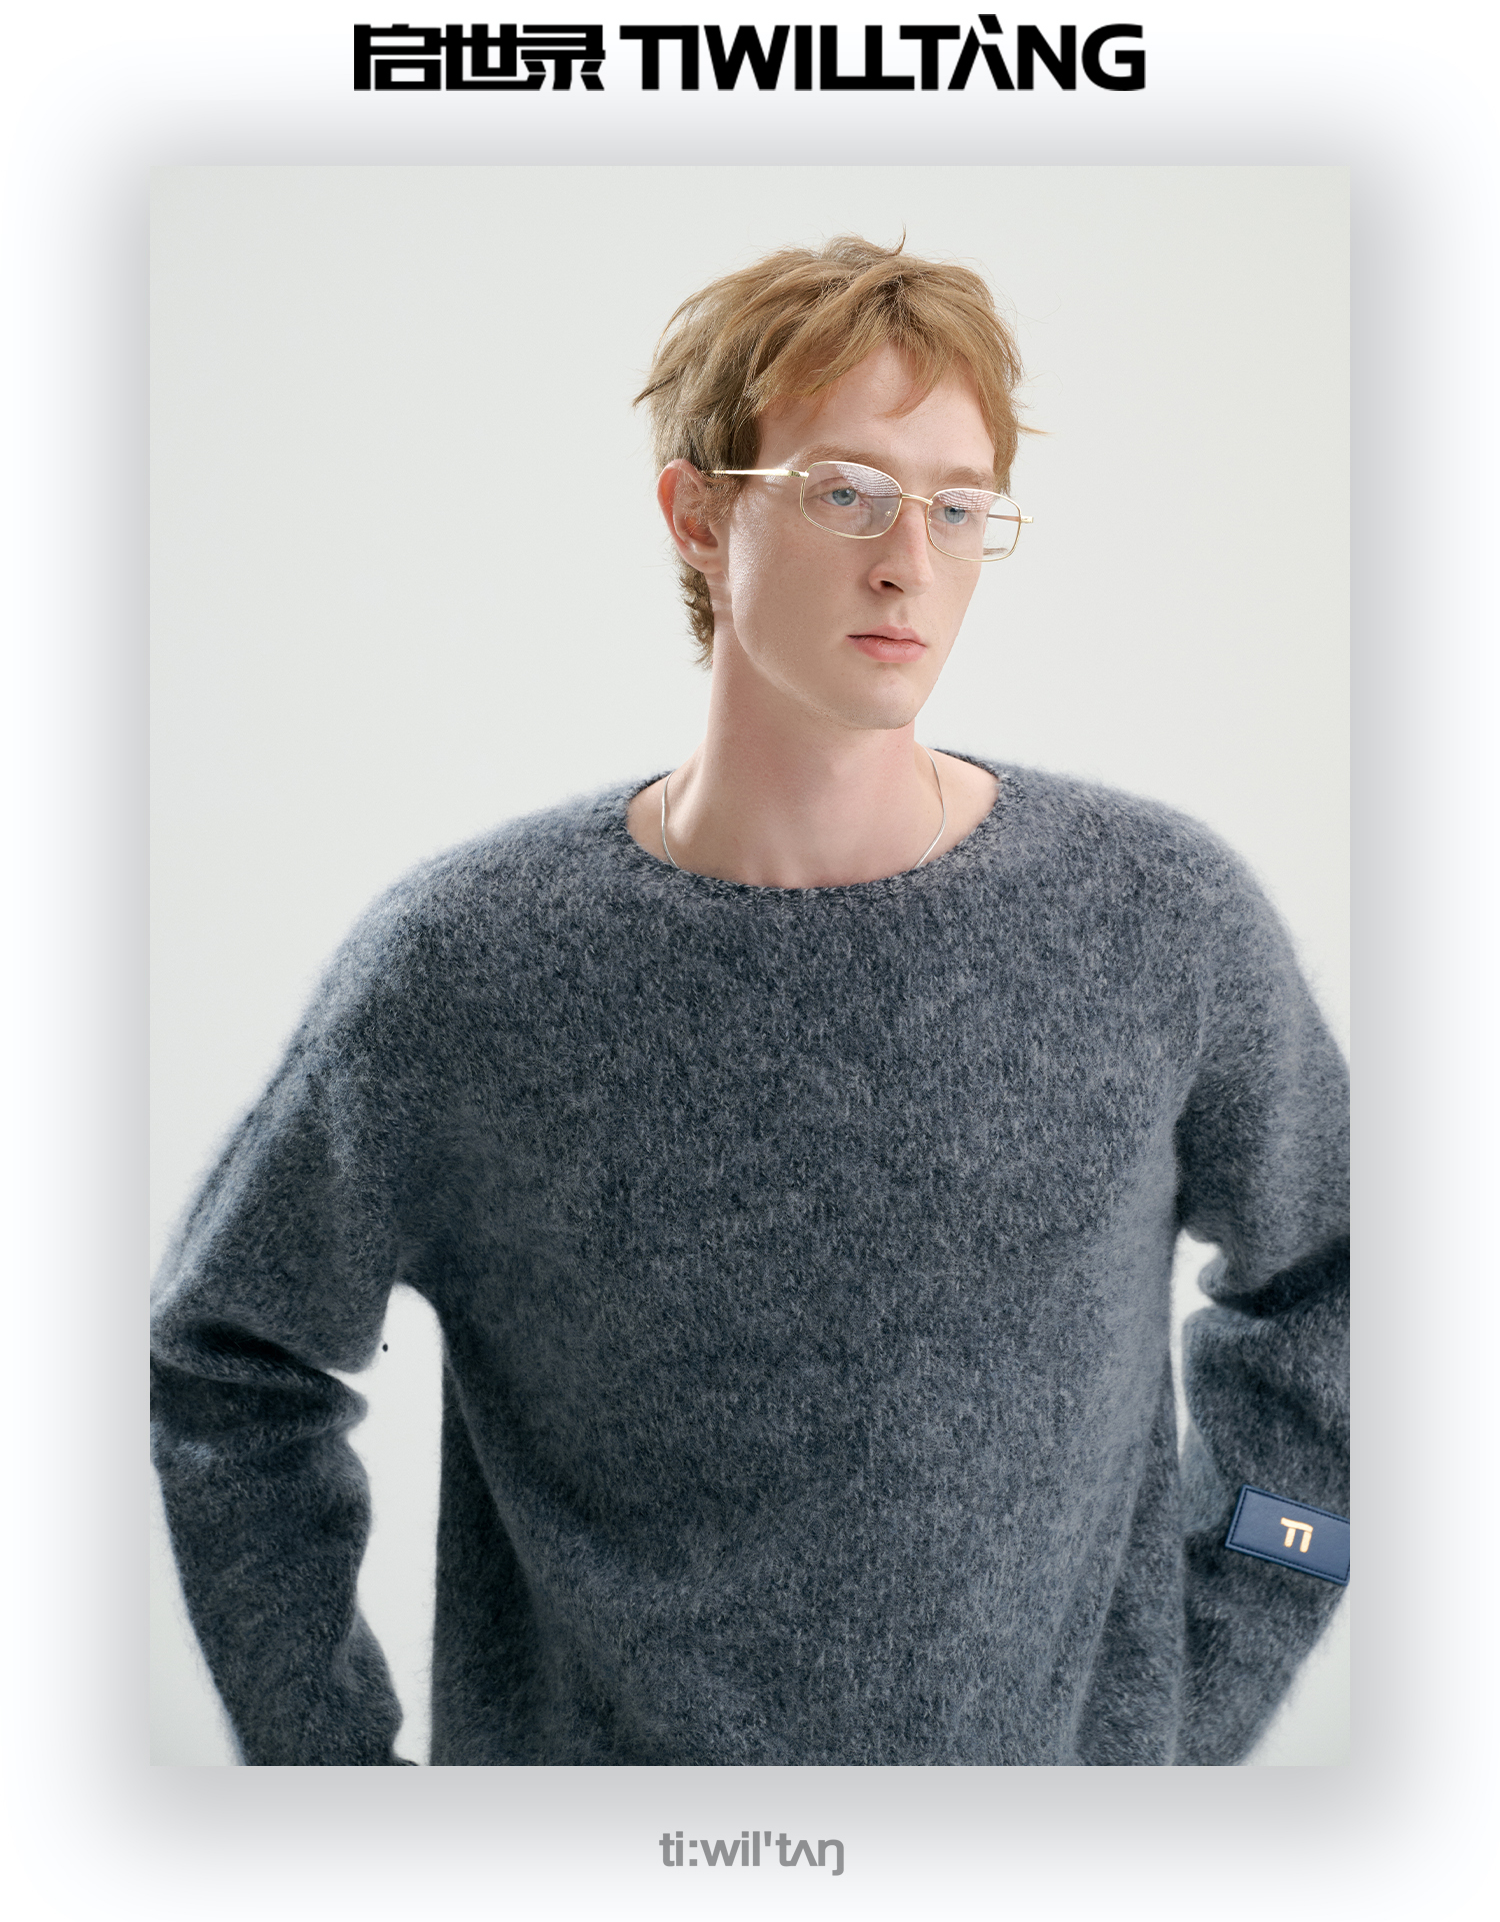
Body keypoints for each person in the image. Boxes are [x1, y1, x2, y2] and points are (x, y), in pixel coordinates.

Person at [150, 236, 1349, 1766]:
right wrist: (327, 1780)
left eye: (959, 505)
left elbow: (1344, 1283)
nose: (909, 559)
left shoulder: (1159, 924)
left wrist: (1214, 1669)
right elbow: (231, 1363)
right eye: (846, 491)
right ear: (699, 515)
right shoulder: (468, 972)